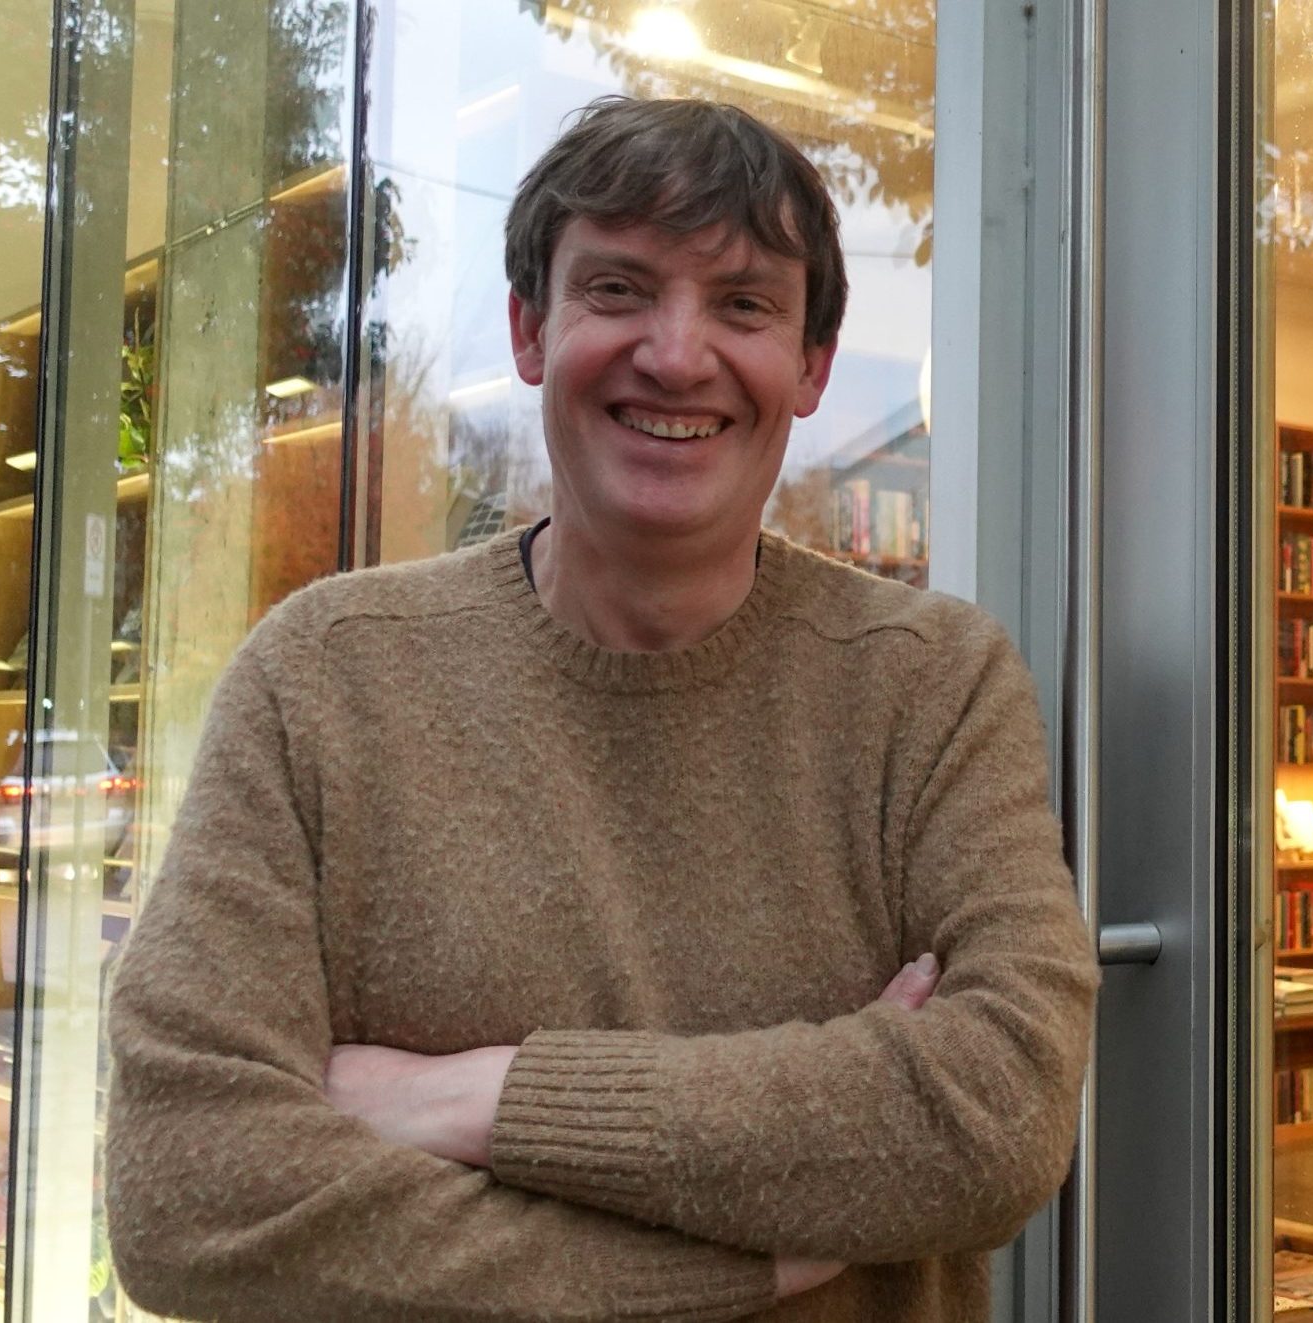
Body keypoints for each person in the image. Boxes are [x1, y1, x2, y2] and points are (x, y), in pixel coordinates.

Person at [103, 96, 1099, 1322]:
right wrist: (720, 1266)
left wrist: (473, 1100)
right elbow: (189, 1195)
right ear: (530, 329)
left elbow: (993, 1121)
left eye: (743, 304)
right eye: (618, 290)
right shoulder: (324, 677)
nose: (677, 355)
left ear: (809, 367)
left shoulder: (932, 684)